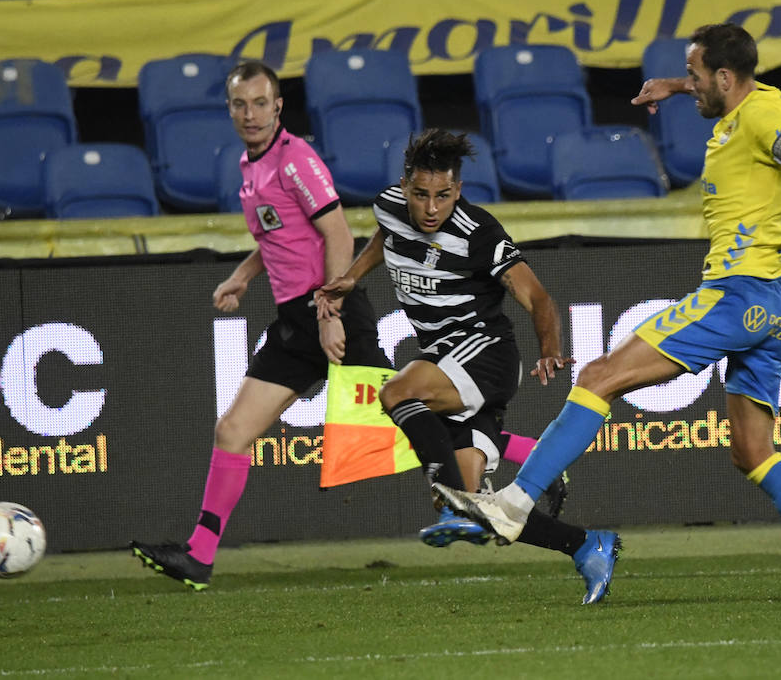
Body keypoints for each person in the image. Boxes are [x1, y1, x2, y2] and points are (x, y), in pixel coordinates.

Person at [435, 23, 781, 606]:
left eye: (699, 76)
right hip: (778, 308)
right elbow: (744, 103)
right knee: (754, 453)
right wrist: (677, 85)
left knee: (598, 377)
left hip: (736, 296)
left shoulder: (758, 119)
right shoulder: (760, 100)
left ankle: (513, 505)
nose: (694, 86)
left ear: (725, 78)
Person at [131, 63, 555, 591]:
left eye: (261, 103)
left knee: (407, 417)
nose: (251, 114)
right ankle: (199, 555)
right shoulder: (249, 165)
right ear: (229, 109)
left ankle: (539, 456)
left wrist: (330, 314)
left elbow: (335, 232)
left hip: (328, 315)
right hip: (293, 321)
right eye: (241, 105)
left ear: (278, 106)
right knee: (233, 431)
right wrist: (242, 277)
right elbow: (280, 240)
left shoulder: (295, 161)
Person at [317, 128, 621, 605]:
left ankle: (450, 510)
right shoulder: (390, 208)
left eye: (443, 195)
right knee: (484, 509)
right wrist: (351, 278)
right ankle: (586, 545)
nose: (431, 208)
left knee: (397, 391)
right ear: (404, 187)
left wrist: (548, 347)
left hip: (486, 354)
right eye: (420, 195)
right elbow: (386, 238)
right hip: (446, 359)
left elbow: (538, 297)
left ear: (458, 190)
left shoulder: (479, 233)